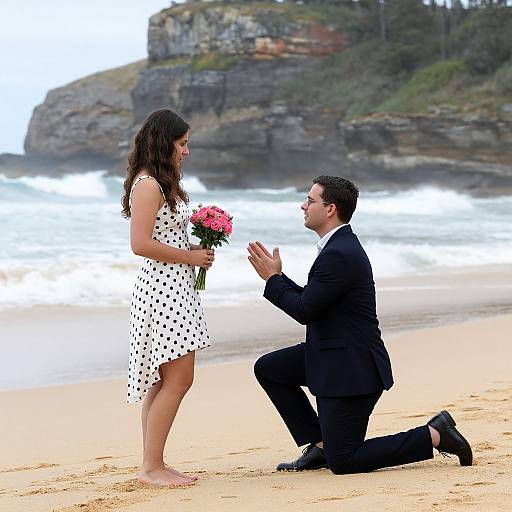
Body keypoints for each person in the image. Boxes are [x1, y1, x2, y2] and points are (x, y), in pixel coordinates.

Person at [247, 175, 472, 474]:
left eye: (310, 200)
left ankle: (434, 434)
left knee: (344, 462)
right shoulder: (337, 247)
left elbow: (305, 310)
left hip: (352, 369)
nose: (303, 205)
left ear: (330, 209)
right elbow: (315, 301)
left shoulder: (339, 253)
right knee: (270, 369)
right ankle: (320, 445)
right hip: (332, 354)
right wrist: (278, 278)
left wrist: (273, 280)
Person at [121, 109, 214, 487]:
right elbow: (140, 244)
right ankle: (151, 467)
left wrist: (194, 248)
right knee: (177, 379)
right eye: (182, 143)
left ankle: (152, 463)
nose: (187, 151)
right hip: (162, 290)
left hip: (175, 286)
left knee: (166, 381)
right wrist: (190, 256)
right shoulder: (148, 185)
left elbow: (164, 238)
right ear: (165, 142)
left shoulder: (161, 183)